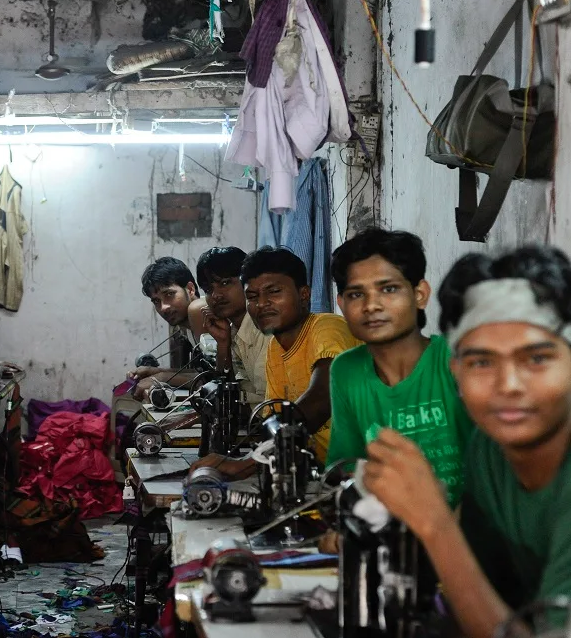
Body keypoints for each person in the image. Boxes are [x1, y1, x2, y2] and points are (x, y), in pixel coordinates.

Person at [363, 246, 571, 638]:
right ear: (455, 370)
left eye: (537, 359)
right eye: (481, 362)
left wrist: (435, 522)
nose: (508, 386)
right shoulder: (488, 449)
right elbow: (487, 596)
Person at [327, 229, 473, 507]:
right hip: (393, 537)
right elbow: (345, 468)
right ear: (342, 305)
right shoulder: (345, 371)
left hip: (475, 538)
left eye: (388, 289)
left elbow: (503, 467)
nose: (371, 305)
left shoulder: (456, 359)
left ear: (419, 294)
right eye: (357, 294)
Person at [241, 246, 359, 460]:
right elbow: (274, 421)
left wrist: (246, 464)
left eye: (274, 292)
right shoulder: (275, 349)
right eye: (252, 296)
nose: (261, 303)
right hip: (323, 471)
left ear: (304, 295)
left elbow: (323, 397)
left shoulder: (327, 327)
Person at [191, 246, 271, 405]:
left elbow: (266, 404)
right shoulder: (234, 330)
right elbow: (225, 389)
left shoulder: (265, 330)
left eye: (225, 283)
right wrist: (223, 344)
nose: (216, 295)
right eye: (208, 289)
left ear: (248, 282)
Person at [128, 257, 204, 399]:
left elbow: (215, 380)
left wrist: (162, 377)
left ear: (190, 289)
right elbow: (203, 372)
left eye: (169, 294)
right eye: (156, 301)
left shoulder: (204, 314)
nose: (163, 308)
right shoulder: (187, 327)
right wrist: (155, 371)